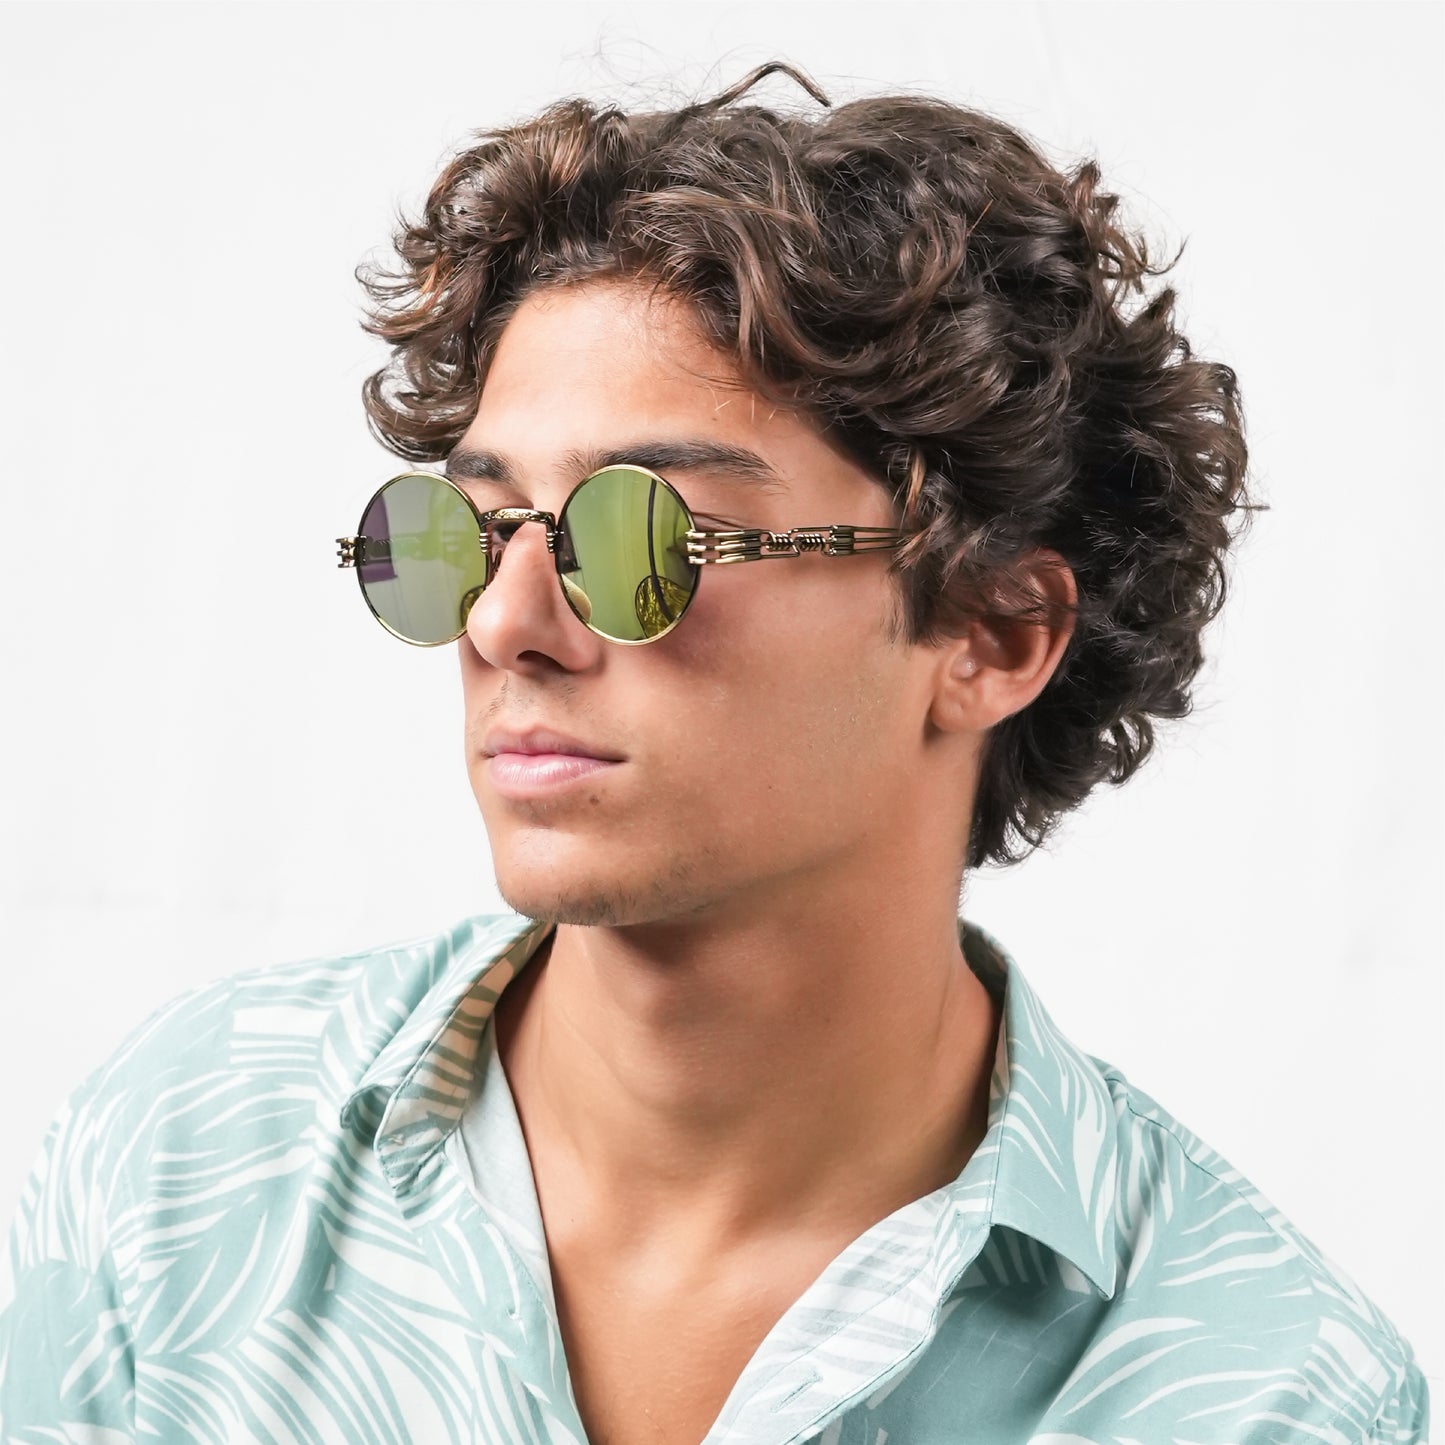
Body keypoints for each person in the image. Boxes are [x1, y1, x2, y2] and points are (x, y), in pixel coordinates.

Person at [0, 59, 1428, 1445]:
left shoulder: (1267, 1394)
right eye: (467, 534)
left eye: (644, 535)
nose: (504, 624)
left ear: (992, 632)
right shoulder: (181, 1168)